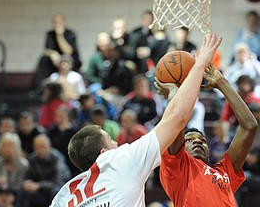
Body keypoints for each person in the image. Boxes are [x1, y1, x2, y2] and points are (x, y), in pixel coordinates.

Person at [49, 32, 222, 206]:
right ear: (103, 153)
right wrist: (199, 65)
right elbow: (178, 117)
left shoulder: (65, 194)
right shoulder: (122, 160)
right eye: (110, 140)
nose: (117, 143)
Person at [157, 63, 258, 206]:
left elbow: (250, 126)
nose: (198, 142)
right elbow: (176, 120)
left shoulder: (224, 172)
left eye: (203, 140)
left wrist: (222, 83)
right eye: (190, 140)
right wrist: (174, 95)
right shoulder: (177, 169)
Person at [34, 13, 82, 89]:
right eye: (55, 22)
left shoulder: (71, 34)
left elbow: (68, 51)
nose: (57, 25)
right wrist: (53, 54)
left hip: (70, 60)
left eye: (59, 22)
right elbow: (47, 50)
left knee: (68, 60)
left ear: (64, 22)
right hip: (55, 62)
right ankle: (40, 88)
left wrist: (59, 36)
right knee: (43, 59)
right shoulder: (50, 34)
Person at [17, 134, 63, 207]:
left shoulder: (56, 158)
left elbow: (58, 181)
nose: (40, 150)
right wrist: (27, 183)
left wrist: (39, 185)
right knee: (24, 191)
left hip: (52, 189)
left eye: (43, 146)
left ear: (49, 146)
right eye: (37, 147)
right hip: (38, 190)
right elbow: (27, 176)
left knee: (54, 191)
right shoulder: (32, 158)